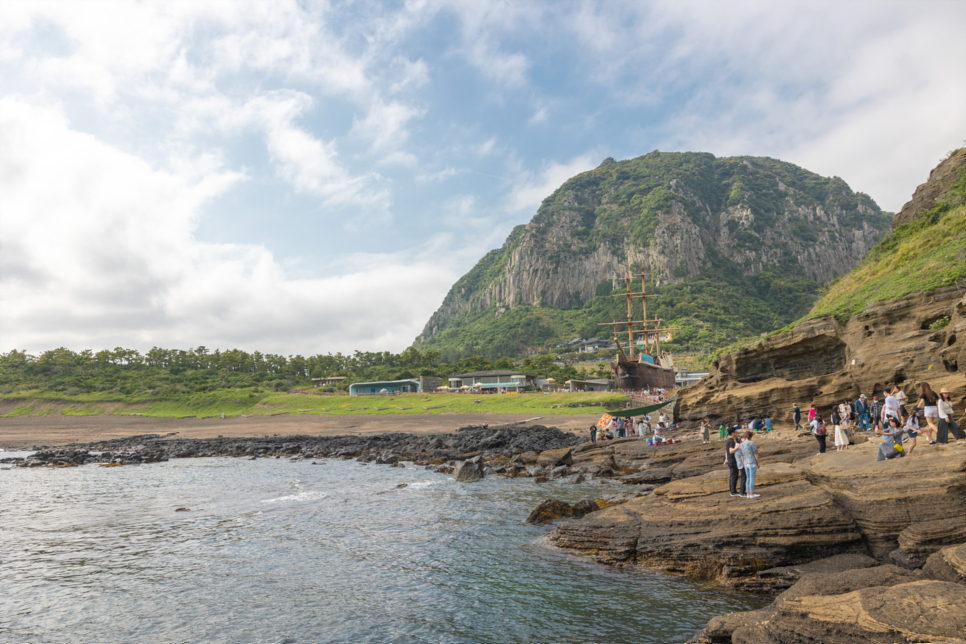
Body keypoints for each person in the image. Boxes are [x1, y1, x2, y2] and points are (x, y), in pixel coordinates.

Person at [739, 431, 760, 498]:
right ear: (750, 436)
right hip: (752, 462)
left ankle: (748, 494)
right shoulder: (752, 443)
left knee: (748, 478)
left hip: (746, 463)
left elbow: (741, 456)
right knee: (752, 478)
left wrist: (744, 464)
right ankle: (752, 494)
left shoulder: (741, 445)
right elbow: (755, 453)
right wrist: (758, 462)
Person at [725, 427, 741, 497]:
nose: (736, 433)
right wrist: (738, 447)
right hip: (733, 461)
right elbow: (731, 451)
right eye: (735, 432)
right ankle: (733, 492)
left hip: (730, 460)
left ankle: (733, 491)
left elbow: (727, 451)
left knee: (733, 476)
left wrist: (726, 458)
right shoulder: (731, 441)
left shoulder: (728, 440)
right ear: (732, 433)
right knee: (734, 476)